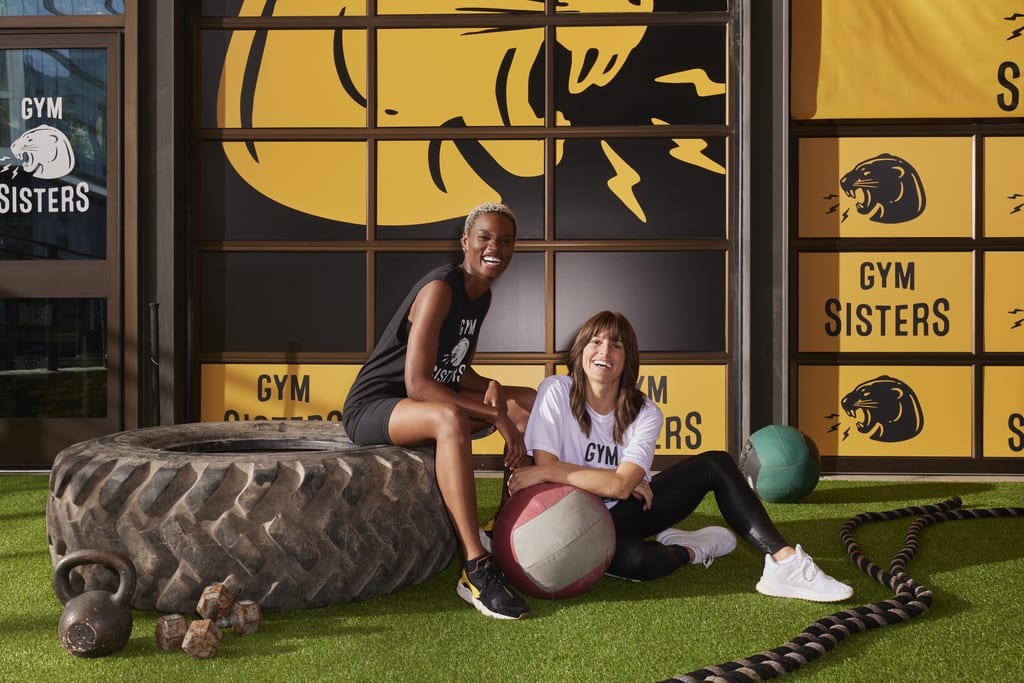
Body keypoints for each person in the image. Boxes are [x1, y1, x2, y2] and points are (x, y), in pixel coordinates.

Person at [508, 310, 853, 602]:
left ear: (628, 359)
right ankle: (691, 549)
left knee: (715, 462)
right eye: (596, 341)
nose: (605, 351)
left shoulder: (645, 411)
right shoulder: (556, 391)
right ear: (581, 349)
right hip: (573, 520)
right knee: (634, 561)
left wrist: (573, 477)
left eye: (617, 345)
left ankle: (783, 562)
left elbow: (611, 485)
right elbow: (564, 475)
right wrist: (606, 481)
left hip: (624, 511)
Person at [342, 202, 535, 620]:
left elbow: (454, 369)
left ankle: (502, 535)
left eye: (504, 240)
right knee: (449, 418)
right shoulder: (440, 288)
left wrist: (494, 390)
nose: (494, 247)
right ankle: (475, 569)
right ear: (466, 242)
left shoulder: (480, 296)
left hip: (422, 401)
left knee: (528, 403)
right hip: (376, 406)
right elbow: (419, 383)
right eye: (484, 237)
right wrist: (495, 414)